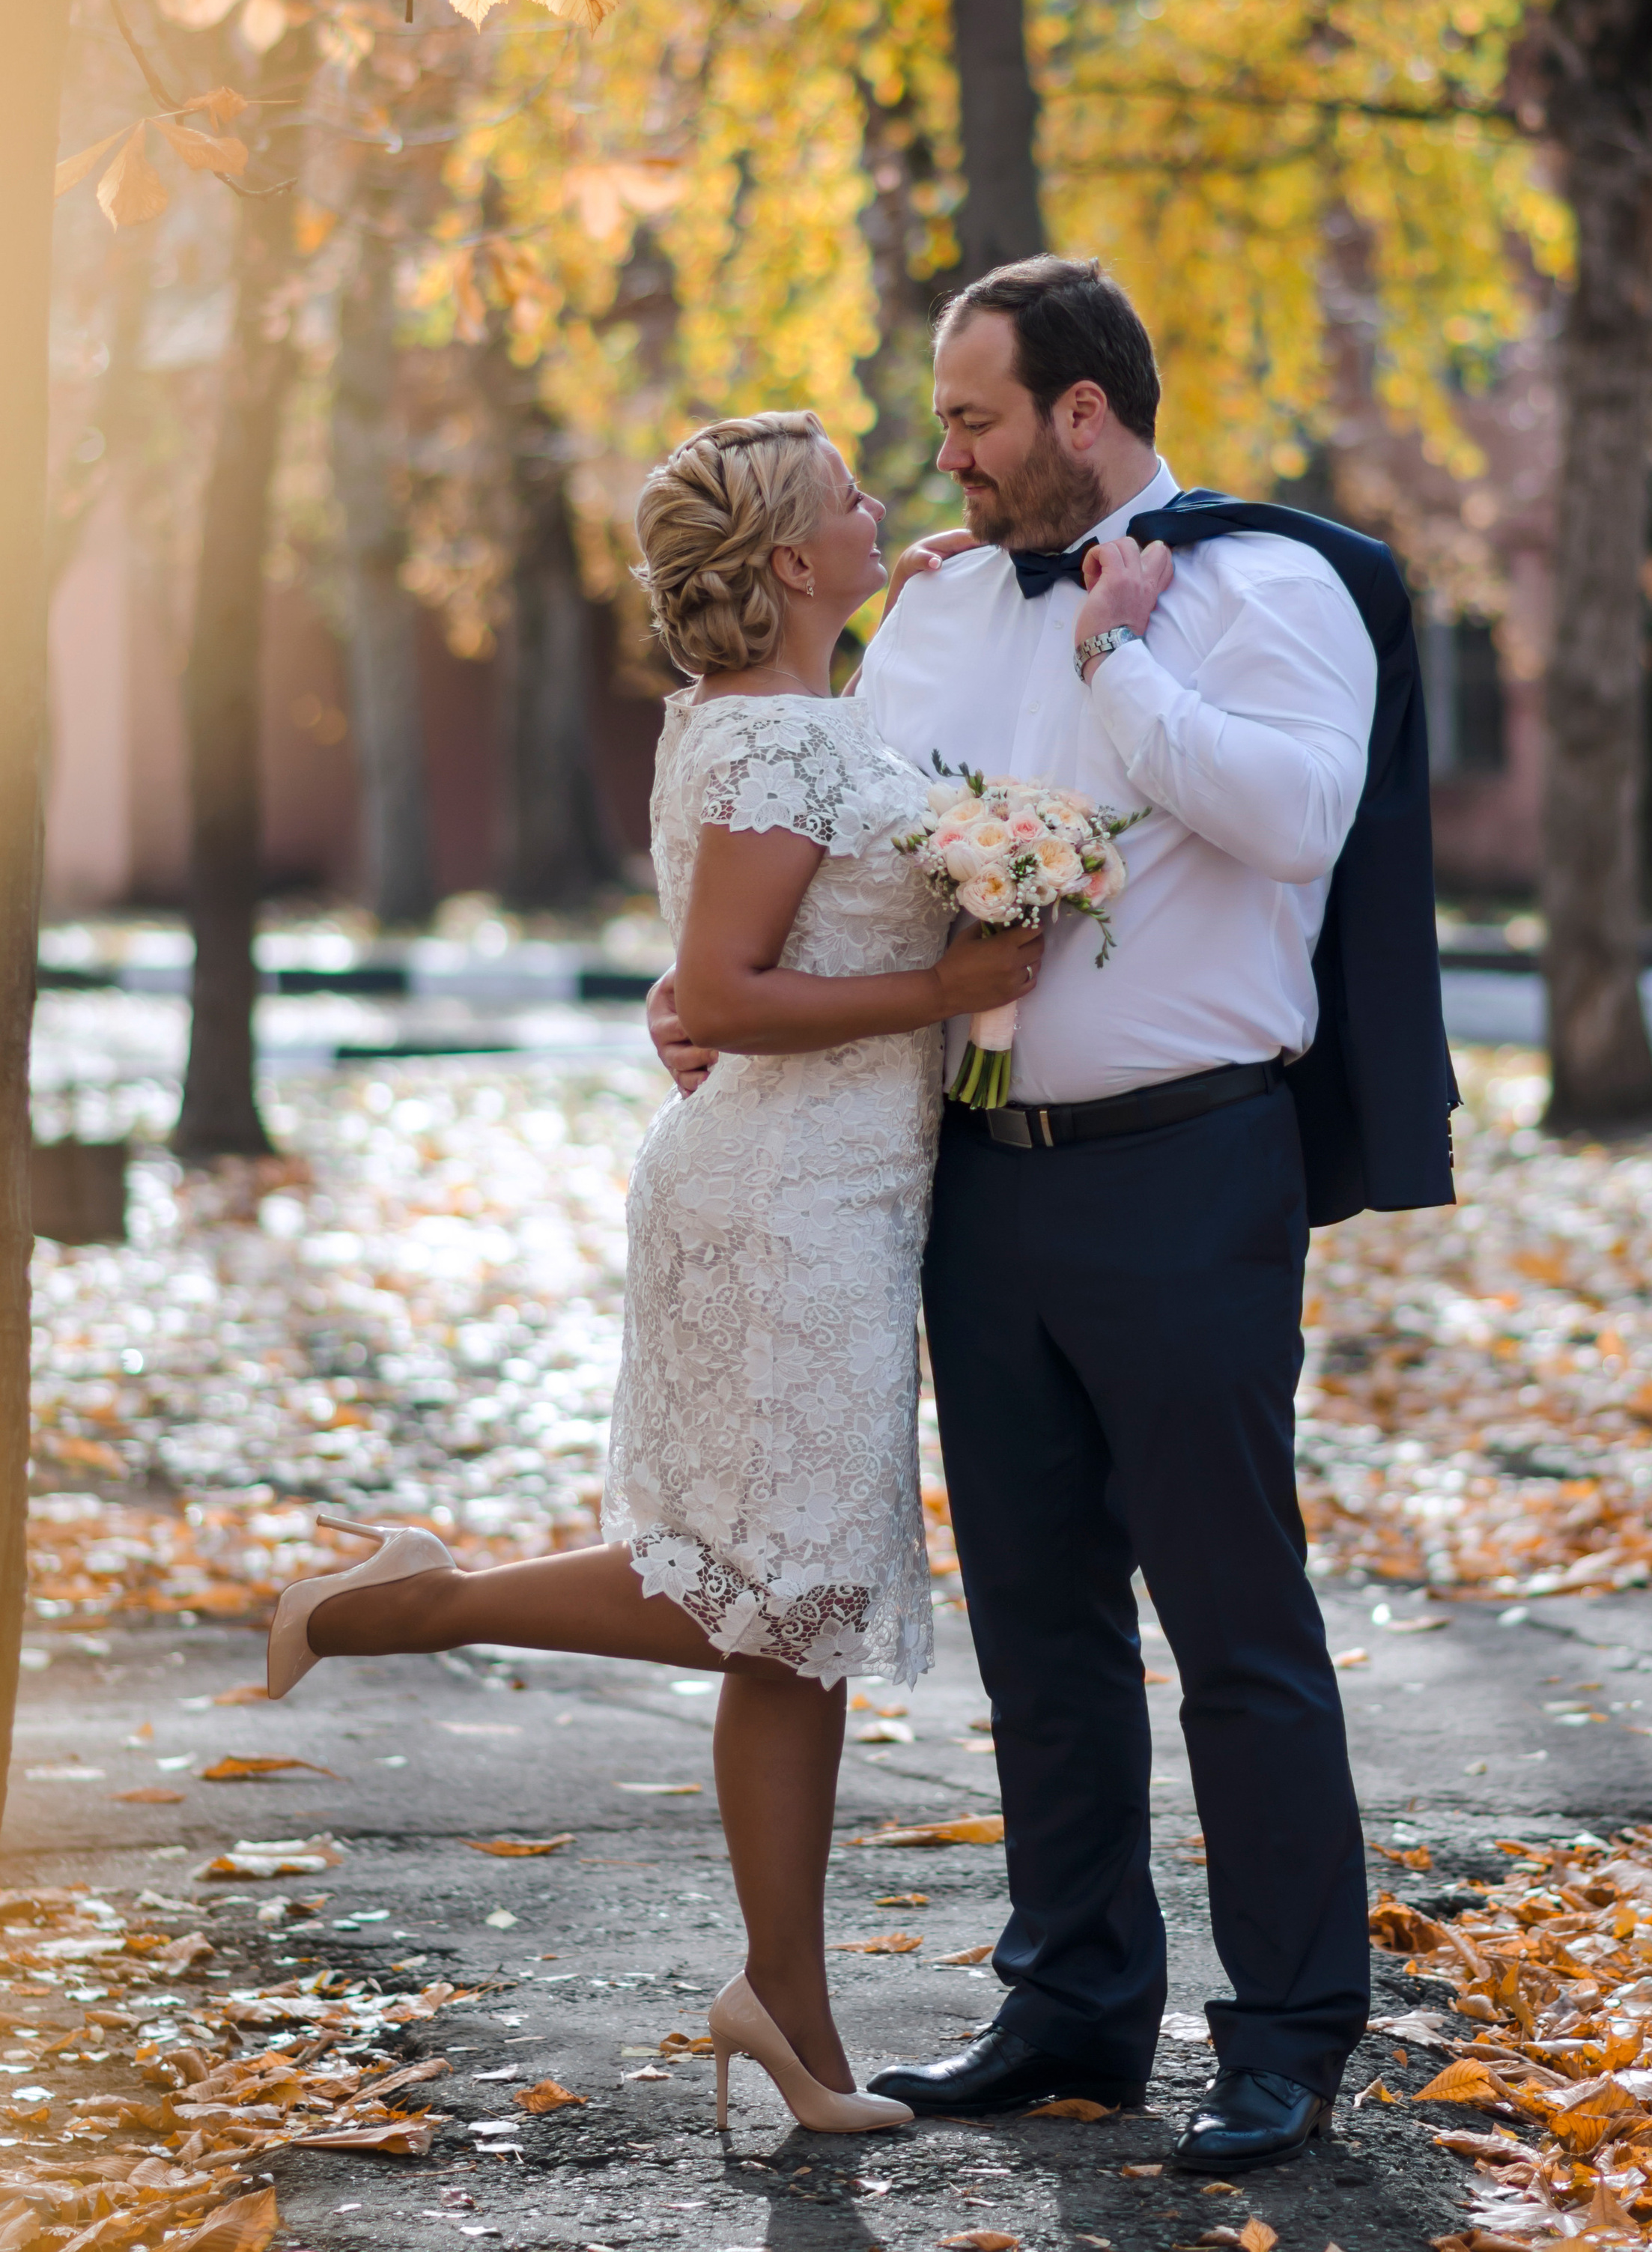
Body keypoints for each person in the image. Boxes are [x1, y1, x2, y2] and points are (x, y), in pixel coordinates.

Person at [650, 258, 1454, 2173]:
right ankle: (1074, 1995)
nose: (948, 459)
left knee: (1233, 1619)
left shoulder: (1278, 587)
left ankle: (1283, 2031)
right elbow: (836, 848)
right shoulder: (928, 612)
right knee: (1041, 1624)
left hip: (1187, 1166)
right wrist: (703, 987)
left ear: (1080, 413)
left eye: (976, 421)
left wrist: (1117, 653)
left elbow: (1292, 820)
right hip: (972, 1186)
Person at [264, 409, 1042, 2142]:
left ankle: (784, 2005)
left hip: (834, 1194)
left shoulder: (787, 719)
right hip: (780, 1205)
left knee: (799, 1618)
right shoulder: (768, 748)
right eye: (849, 496)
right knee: (767, 1592)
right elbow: (724, 992)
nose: (878, 501)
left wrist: (917, 594)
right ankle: (420, 1598)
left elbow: (755, 935)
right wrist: (942, 988)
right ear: (783, 563)